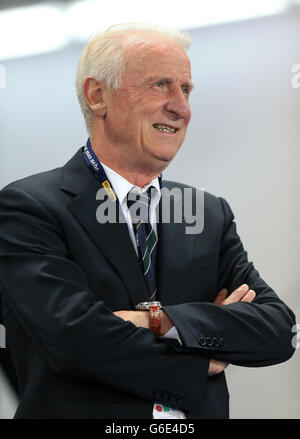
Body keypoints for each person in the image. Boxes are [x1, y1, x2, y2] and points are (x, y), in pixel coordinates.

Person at [0, 23, 295, 419]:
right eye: (160, 85)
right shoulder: (28, 208)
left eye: (186, 90)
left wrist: (155, 319)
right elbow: (76, 341)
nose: (181, 107)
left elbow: (277, 330)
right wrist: (204, 354)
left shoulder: (208, 214)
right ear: (97, 95)